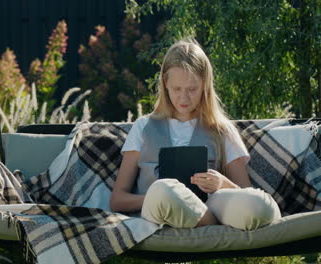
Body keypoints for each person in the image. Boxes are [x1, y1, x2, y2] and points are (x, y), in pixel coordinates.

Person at [109, 39, 281, 230]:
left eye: (192, 89)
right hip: (160, 207)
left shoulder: (221, 129)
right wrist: (166, 198)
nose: (184, 98)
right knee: (163, 190)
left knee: (261, 205)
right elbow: (118, 200)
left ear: (204, 85)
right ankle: (211, 224)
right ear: (165, 83)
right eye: (177, 89)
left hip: (212, 204)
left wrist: (223, 184)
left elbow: (244, 191)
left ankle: (205, 219)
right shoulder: (143, 127)